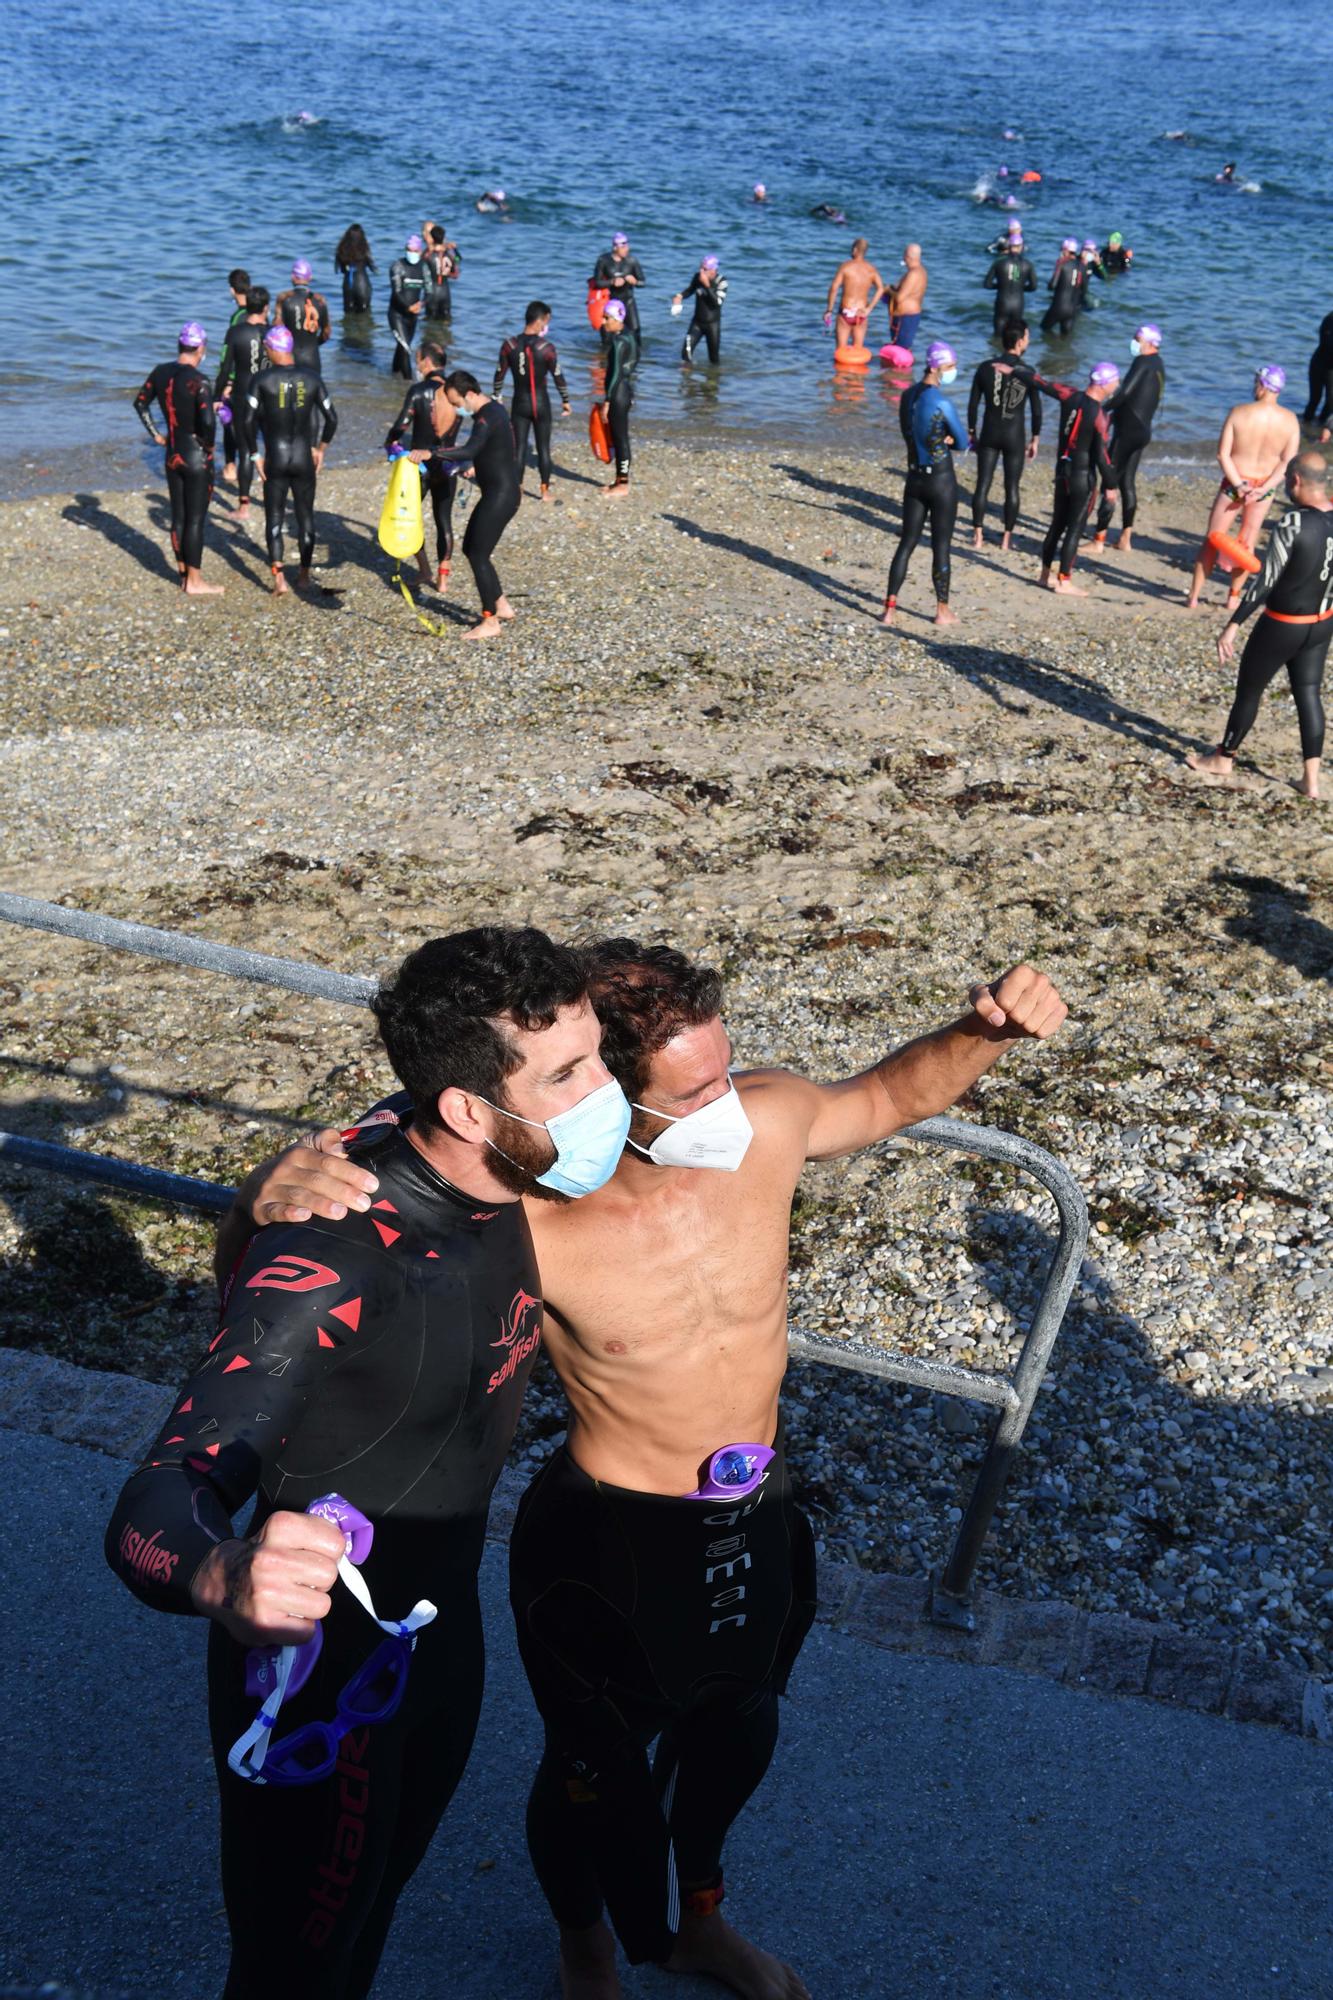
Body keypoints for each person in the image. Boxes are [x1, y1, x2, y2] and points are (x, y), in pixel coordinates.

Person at [235, 940, 1069, 2000]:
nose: (729, 1103)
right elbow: (337, 1240)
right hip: (609, 1539)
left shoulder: (763, 1123)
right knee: (594, 1771)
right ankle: (586, 1946)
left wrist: (983, 1032)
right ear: (600, 1100)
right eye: (692, 1093)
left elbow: (884, 1097)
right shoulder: (525, 1219)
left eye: (724, 1071)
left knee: (733, 1741)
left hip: (755, 1511)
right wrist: (264, 1191)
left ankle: (697, 1923)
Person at [105, 927, 631, 2000]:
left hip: (439, 1626)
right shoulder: (335, 1257)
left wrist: (254, 1184)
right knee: (291, 1967)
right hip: (316, 1674)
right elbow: (156, 1498)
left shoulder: (447, 1139)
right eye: (567, 1076)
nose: (602, 1095)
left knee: (372, 1913)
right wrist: (219, 1572)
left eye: (597, 1060)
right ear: (469, 1110)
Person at [1187, 451, 1333, 799]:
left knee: (1250, 691)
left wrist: (1234, 623)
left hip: (1282, 625)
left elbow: (1266, 579)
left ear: (1295, 480)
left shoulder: (1293, 522)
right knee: (1308, 693)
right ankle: (1311, 780)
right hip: (1321, 623)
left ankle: (1223, 758)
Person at [411, 369, 520, 638]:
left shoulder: (485, 418)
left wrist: (431, 453)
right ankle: (501, 605)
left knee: (478, 554)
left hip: (501, 495)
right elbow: (489, 449)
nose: (456, 409)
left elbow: (471, 447)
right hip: (501, 492)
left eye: (457, 403)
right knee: (472, 548)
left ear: (469, 394)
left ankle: (490, 621)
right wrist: (471, 464)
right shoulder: (494, 410)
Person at [1185, 366, 1302, 609]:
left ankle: (1193, 597)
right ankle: (1233, 598)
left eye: (1256, 381)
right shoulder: (1290, 420)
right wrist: (1263, 488)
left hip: (1235, 483)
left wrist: (1239, 484)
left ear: (1262, 385)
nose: (1254, 386)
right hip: (1263, 488)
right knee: (1247, 543)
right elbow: (1287, 462)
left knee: (1212, 539)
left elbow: (1223, 454)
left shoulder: (1239, 412)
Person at [245, 325, 338, 596]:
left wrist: (255, 455)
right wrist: (320, 449)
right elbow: (332, 419)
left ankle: (279, 581)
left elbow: (247, 421)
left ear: (273, 349)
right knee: (305, 516)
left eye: (266, 348)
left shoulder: (261, 379)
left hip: (275, 459)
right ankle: (305, 577)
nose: (265, 352)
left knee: (274, 517)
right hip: (303, 458)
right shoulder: (312, 378)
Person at [881, 340, 967, 627]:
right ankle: (942, 611)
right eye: (950, 366)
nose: (953, 371)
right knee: (941, 545)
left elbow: (911, 433)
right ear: (936, 367)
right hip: (941, 480)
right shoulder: (941, 402)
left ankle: (889, 610)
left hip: (914, 477)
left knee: (907, 542)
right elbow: (963, 442)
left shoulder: (907, 396)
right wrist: (948, 439)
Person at [132, 321, 222, 597]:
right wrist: (209, 446)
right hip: (196, 456)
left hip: (172, 453)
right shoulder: (199, 380)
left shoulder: (161, 371)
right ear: (201, 348)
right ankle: (194, 581)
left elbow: (140, 403)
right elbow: (208, 421)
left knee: (179, 515)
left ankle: (183, 573)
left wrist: (157, 435)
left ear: (179, 345)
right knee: (195, 519)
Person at [1037, 362, 1120, 594]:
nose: (1117, 386)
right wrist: (1111, 486)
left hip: (1062, 472)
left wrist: (1013, 370)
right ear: (1104, 384)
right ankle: (1064, 581)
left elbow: (1042, 383)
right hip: (1083, 478)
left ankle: (1044, 576)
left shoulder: (1070, 396)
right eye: (1115, 381)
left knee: (1056, 525)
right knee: (1074, 529)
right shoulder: (1100, 415)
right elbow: (1102, 457)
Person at [387, 340, 460, 589]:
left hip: (419, 466)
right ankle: (442, 579)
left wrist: (390, 442)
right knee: (444, 520)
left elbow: (401, 424)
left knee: (411, 518)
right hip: (448, 464)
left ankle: (425, 570)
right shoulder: (456, 391)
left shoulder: (419, 391)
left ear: (427, 362)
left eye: (418, 360)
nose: (417, 366)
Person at [968, 318, 1044, 550]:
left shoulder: (984, 368)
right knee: (1012, 487)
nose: (1028, 341)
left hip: (990, 432)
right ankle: (1006, 539)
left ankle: (978, 536)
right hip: (1014, 435)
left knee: (983, 484)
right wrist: (1035, 438)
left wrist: (972, 432)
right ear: (1020, 342)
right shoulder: (1028, 372)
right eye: (1027, 337)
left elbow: (973, 404)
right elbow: (1036, 410)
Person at [1092, 325, 1166, 552]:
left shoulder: (1142, 362)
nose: (1133, 342)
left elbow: (1124, 392)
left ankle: (1098, 541)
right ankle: (1125, 538)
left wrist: (1101, 408)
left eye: (1137, 338)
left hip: (1127, 432)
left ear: (1149, 342)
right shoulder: (1158, 364)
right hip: (1142, 431)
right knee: (1127, 482)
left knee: (1109, 481)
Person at [494, 302, 571, 502]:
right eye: (547, 321)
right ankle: (544, 491)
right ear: (540, 321)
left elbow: (499, 373)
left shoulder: (509, 345)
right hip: (541, 404)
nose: (547, 326)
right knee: (543, 448)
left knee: (518, 448)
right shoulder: (547, 348)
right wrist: (565, 400)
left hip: (519, 404)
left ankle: (517, 488)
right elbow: (558, 375)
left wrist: (496, 396)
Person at [213, 287, 271, 521]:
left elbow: (225, 367)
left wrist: (216, 397)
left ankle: (244, 507)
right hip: (269, 395)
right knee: (272, 446)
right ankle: (272, 498)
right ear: (266, 308)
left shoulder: (235, 332)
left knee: (246, 450)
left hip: (242, 396)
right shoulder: (274, 333)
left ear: (247, 307)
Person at [597, 299, 636, 500]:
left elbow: (615, 374)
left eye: (607, 318)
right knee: (619, 437)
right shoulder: (629, 335)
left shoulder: (618, 342)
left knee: (620, 438)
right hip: (626, 390)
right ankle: (619, 480)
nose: (604, 322)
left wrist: (608, 400)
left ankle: (624, 484)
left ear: (617, 318)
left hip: (618, 393)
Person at [823, 238, 885, 353]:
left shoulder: (845, 267)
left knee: (840, 351)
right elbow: (881, 288)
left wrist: (829, 310)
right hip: (861, 314)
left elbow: (834, 288)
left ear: (855, 250)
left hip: (845, 312)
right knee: (858, 351)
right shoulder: (871, 270)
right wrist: (869, 309)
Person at [592, 233, 646, 354]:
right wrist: (612, 282)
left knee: (635, 331)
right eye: (623, 247)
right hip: (610, 302)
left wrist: (635, 282)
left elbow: (643, 282)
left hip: (628, 300)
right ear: (615, 247)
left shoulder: (632, 261)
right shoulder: (604, 260)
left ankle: (636, 357)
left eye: (627, 246)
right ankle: (605, 358)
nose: (627, 249)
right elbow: (597, 282)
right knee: (607, 335)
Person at [275, 259, 332, 374]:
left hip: (291, 358)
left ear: (293, 277)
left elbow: (277, 329)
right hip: (312, 357)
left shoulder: (285, 300)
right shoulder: (320, 301)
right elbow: (326, 333)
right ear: (310, 278)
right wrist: (314, 343)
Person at [220, 270, 250, 483]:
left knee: (228, 420)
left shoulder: (238, 317)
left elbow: (229, 353)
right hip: (256, 374)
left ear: (232, 290)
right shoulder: (258, 313)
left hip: (239, 376)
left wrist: (227, 381)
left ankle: (231, 465)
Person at [388, 236, 430, 379]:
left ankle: (393, 376)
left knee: (401, 347)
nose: (411, 253)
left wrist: (421, 304)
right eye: (409, 250)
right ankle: (408, 383)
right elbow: (396, 292)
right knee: (406, 348)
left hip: (413, 315)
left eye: (414, 250)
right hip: (397, 314)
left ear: (420, 251)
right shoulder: (397, 266)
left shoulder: (424, 267)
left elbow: (429, 291)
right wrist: (408, 307)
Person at [673, 255, 727, 365]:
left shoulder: (721, 282)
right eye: (701, 268)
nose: (701, 271)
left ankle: (713, 375)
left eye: (705, 269)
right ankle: (686, 374)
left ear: (713, 270)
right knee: (686, 353)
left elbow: (717, 303)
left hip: (712, 325)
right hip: (697, 323)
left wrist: (707, 286)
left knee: (714, 359)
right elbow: (690, 290)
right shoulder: (698, 277)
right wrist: (680, 296)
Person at [982, 233, 1036, 335]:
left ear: (1009, 246)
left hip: (1002, 302)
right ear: (1021, 247)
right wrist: (1020, 287)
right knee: (1014, 335)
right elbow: (1033, 287)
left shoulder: (999, 262)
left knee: (998, 335)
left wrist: (1001, 285)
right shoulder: (1028, 264)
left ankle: (996, 345)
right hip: (1018, 303)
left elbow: (987, 284)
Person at [887, 243, 928, 353]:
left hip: (905, 317)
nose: (903, 258)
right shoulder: (921, 271)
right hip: (911, 315)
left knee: (900, 350)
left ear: (908, 257)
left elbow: (900, 298)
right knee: (903, 348)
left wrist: (888, 290)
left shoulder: (913, 274)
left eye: (904, 255)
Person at [1042, 240, 1085, 336]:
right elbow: (1084, 289)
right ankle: (1058, 345)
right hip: (1073, 310)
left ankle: (1052, 344)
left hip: (1059, 306)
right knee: (1065, 338)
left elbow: (1052, 286)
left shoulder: (1062, 264)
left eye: (1062, 250)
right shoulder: (1082, 266)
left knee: (1044, 329)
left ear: (1066, 251)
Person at [1301, 310, 1333, 435]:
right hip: (1321, 363)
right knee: (1315, 399)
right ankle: (1306, 428)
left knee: (1330, 402)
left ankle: (1322, 427)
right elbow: (1328, 344)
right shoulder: (1330, 319)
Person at [334, 224, 376, 312]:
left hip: (348, 284)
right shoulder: (364, 249)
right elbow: (373, 268)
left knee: (348, 312)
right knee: (364, 314)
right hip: (362, 283)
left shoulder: (341, 250)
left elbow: (341, 270)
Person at [423, 225, 461, 319]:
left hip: (432, 291)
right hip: (445, 291)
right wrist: (454, 249)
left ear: (432, 238)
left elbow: (420, 268)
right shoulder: (450, 255)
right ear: (444, 238)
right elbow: (456, 272)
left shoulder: (428, 255)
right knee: (446, 319)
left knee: (430, 320)